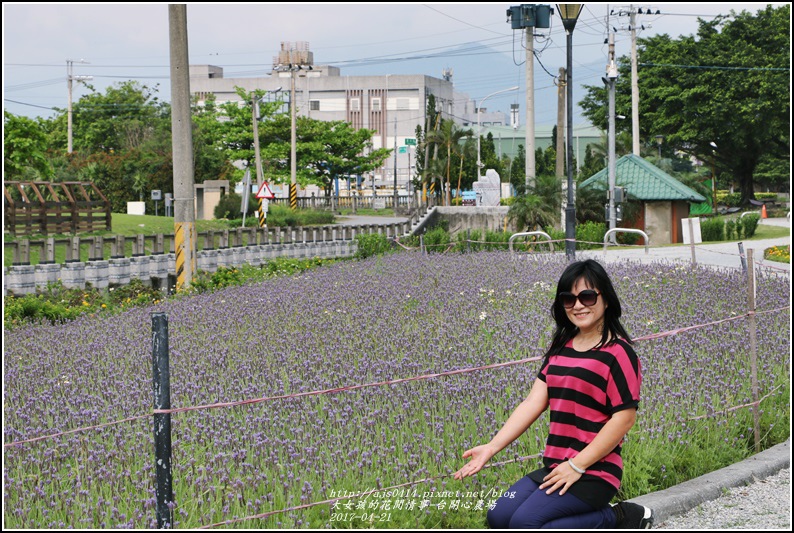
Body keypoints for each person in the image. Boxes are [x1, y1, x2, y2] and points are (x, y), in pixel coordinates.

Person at [453, 259, 654, 529]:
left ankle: (617, 518)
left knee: (526, 524)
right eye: (568, 299)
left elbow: (624, 419)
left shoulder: (618, 353)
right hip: (556, 465)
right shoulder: (561, 347)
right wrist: (491, 447)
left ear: (605, 298)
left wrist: (578, 465)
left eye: (587, 296)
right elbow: (533, 402)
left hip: (595, 470)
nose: (578, 305)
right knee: (498, 516)